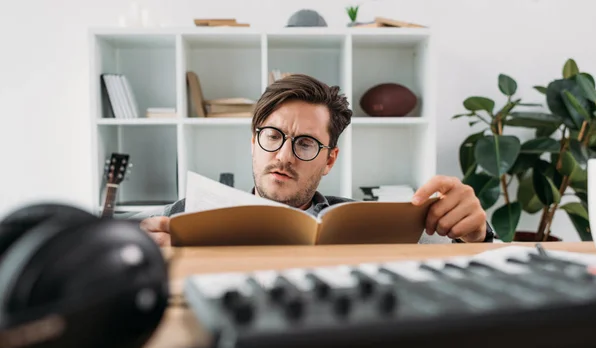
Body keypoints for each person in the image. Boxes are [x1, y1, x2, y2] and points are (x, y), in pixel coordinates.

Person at [133, 74, 494, 246]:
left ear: (330, 160)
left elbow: (478, 267)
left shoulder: (365, 228)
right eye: (272, 136)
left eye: (305, 144)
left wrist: (478, 235)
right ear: (253, 143)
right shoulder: (184, 213)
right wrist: (136, 251)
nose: (284, 156)